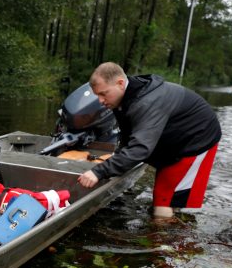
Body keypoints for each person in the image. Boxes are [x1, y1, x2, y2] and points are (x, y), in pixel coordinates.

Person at [78, 62, 222, 219]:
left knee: (163, 201)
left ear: (120, 83)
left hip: (195, 138)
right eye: (97, 95)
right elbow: (128, 137)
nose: (100, 100)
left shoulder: (146, 102)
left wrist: (99, 171)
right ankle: (169, 224)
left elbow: (140, 149)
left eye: (103, 94)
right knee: (164, 196)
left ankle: (163, 239)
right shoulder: (124, 98)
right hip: (171, 137)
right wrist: (114, 162)